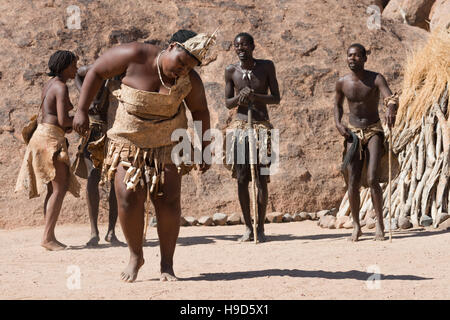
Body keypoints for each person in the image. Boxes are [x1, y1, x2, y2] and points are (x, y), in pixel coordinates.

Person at [73, 29, 215, 282]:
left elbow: (201, 111)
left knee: (168, 200)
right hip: (129, 138)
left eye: (189, 68)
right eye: (181, 62)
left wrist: (204, 148)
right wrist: (82, 109)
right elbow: (95, 71)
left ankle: (167, 265)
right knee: (128, 197)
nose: (182, 70)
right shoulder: (136, 54)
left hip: (167, 140)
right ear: (171, 47)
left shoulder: (189, 80)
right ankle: (135, 255)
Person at [15, 50, 81, 251]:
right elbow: (62, 120)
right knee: (59, 189)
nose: (76, 69)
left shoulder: (50, 85)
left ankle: (49, 235)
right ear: (63, 67)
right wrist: (80, 121)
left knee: (54, 189)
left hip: (44, 136)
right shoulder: (60, 87)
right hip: (50, 140)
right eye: (73, 66)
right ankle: (48, 237)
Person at [334, 43, 398, 242]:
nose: (352, 59)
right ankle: (356, 225)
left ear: (364, 58)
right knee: (352, 182)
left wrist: (390, 108)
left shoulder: (375, 78)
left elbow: (390, 97)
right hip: (352, 134)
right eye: (349, 56)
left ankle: (379, 223)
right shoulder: (342, 82)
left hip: (373, 130)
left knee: (371, 179)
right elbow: (337, 106)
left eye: (356, 56)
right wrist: (338, 124)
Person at [224, 32, 280, 243]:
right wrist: (240, 97)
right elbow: (228, 102)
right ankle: (247, 227)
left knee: (261, 178)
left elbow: (276, 98)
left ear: (253, 46)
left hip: (262, 127)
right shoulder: (231, 71)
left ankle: (261, 227)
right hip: (240, 128)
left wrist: (256, 96)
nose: (240, 49)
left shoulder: (266, 67)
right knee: (241, 179)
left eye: (244, 45)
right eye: (237, 45)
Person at [74, 65, 121, 246]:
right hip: (93, 130)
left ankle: (111, 231)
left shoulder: (117, 73)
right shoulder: (95, 72)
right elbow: (78, 73)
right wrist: (83, 97)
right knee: (93, 178)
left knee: (115, 180)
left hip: (114, 131)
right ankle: (94, 231)